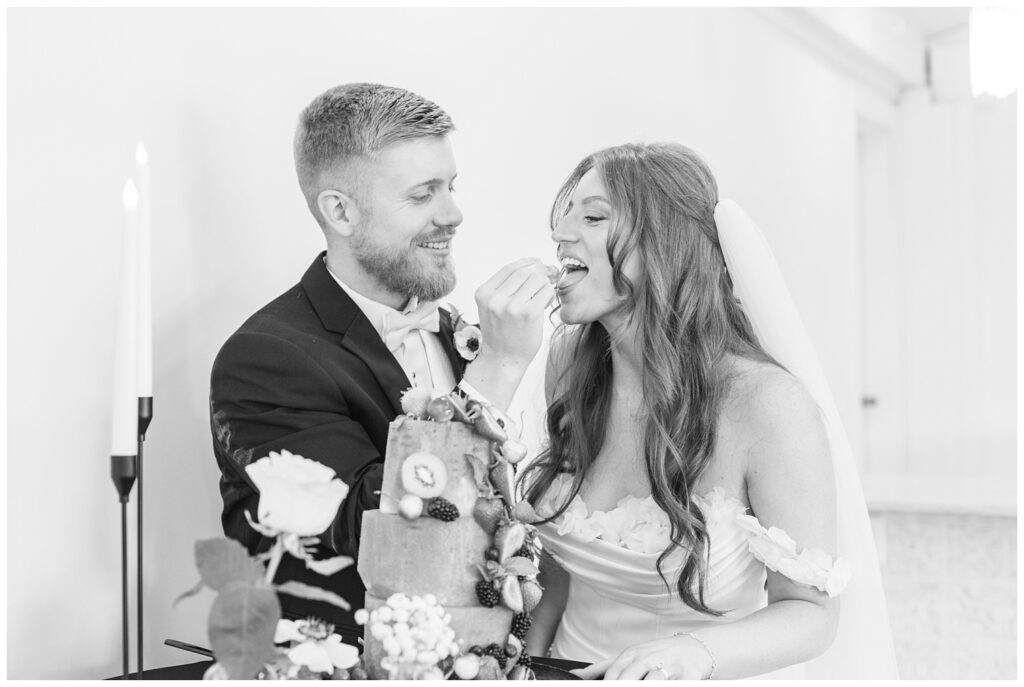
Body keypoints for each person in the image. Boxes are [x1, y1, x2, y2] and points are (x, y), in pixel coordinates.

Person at [521, 142, 897, 678]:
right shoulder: (568, 364)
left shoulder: (767, 404)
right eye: (564, 216)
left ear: (664, 245)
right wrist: (516, 666)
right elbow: (559, 566)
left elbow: (811, 614)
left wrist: (693, 652)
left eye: (594, 216)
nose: (559, 234)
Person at [209, 83, 553, 642]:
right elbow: (379, 526)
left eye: (451, 187)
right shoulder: (265, 360)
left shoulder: (448, 329)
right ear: (341, 211)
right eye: (422, 195)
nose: (454, 214)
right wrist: (498, 368)